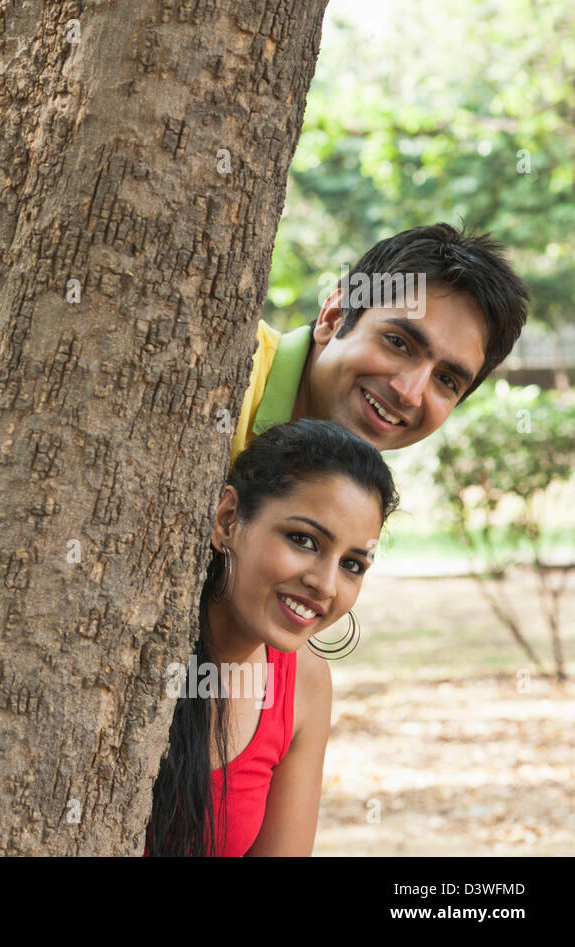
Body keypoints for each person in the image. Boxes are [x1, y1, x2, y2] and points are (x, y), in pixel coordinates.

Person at [147, 419, 399, 856]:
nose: (326, 584)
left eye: (352, 565)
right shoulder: (132, 647)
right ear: (228, 519)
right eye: (304, 539)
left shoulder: (304, 684)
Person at [230, 223, 529, 460]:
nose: (410, 394)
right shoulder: (228, 372)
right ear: (334, 317)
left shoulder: (349, 489)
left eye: (447, 380)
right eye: (398, 344)